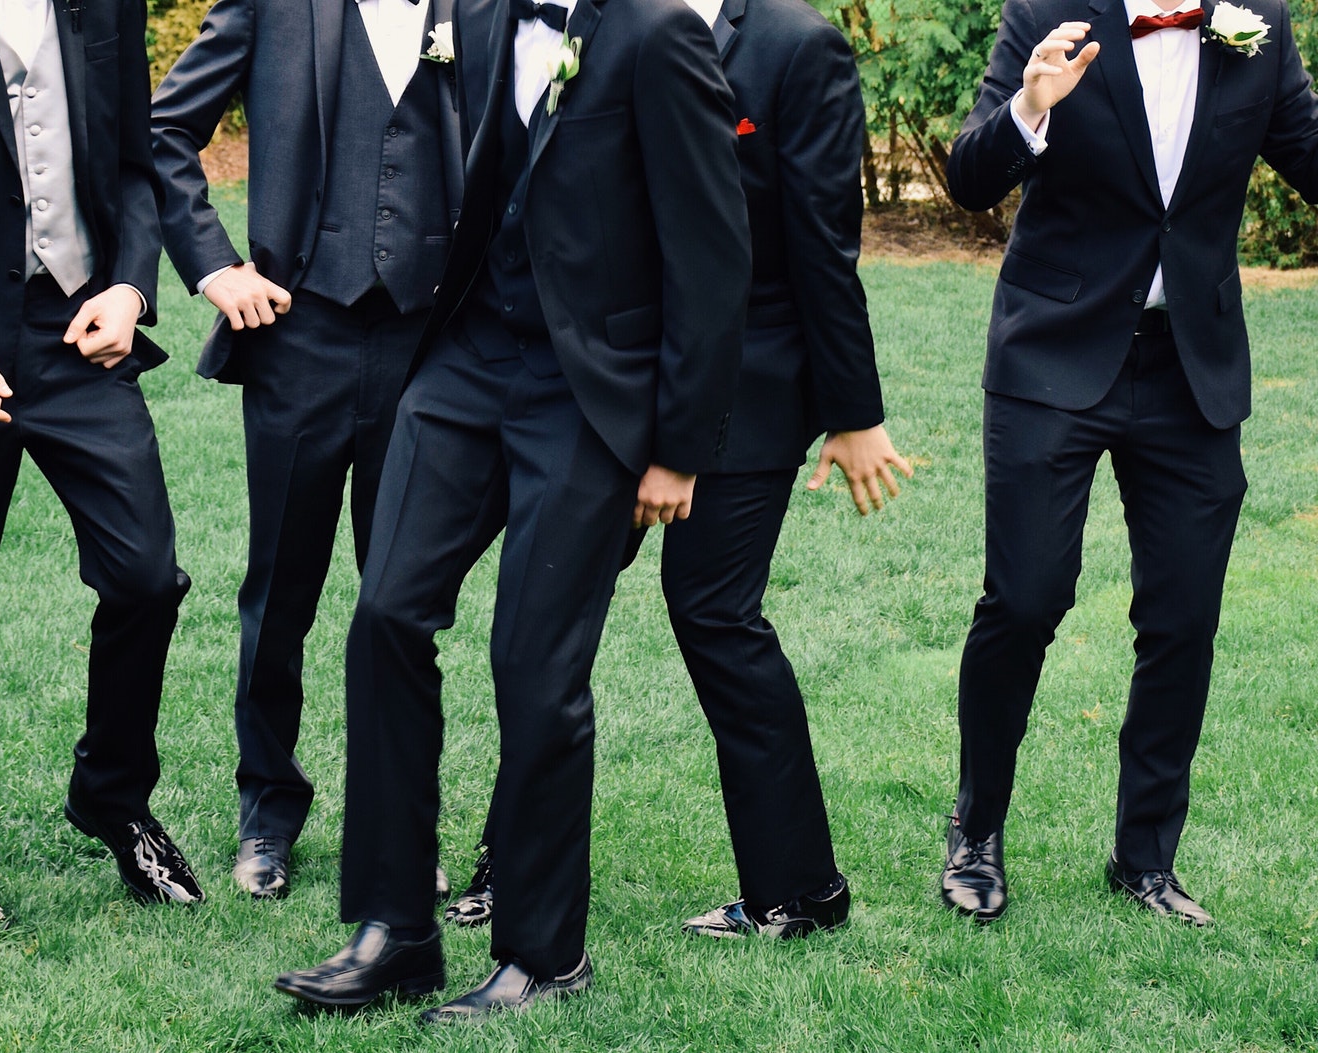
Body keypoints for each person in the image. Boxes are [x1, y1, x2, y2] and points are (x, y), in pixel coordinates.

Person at [273, 0, 750, 1021]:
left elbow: (713, 251)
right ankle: (392, 930)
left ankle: (544, 952)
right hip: (467, 364)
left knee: (533, 667)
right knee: (386, 613)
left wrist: (677, 450)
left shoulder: (659, 35)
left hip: (590, 393)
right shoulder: (483, 17)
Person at [442, 0, 912, 940]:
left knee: (714, 613)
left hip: (746, 385)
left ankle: (800, 887)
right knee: (549, 620)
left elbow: (824, 240)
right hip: (605, 382)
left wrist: (854, 413)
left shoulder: (797, 46)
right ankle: (513, 864)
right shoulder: (593, 22)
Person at [940, 0, 1318, 927]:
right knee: (1024, 598)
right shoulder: (1045, 12)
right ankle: (976, 830)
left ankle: (1144, 856)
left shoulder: (1255, 24)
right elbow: (969, 178)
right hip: (1054, 349)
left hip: (1192, 367)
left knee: (1184, 616)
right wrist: (1030, 108)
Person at [0, 0, 203, 916]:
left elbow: (135, 170)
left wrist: (133, 286)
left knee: (146, 576)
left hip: (77, 332)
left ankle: (112, 795)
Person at [149, 0, 468, 898]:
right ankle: (267, 819)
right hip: (299, 339)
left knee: (403, 606)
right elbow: (166, 127)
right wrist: (215, 267)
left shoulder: (477, 10)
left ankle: (399, 827)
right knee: (279, 596)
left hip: (428, 348)